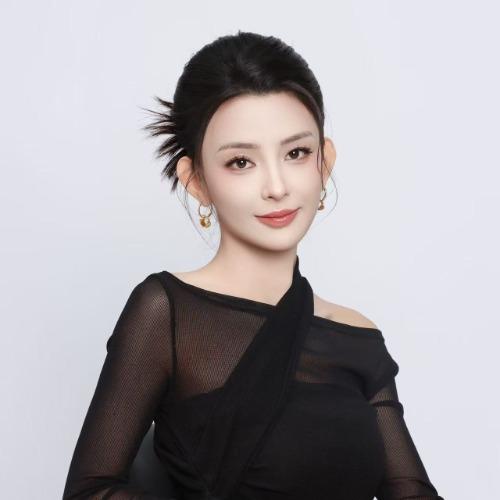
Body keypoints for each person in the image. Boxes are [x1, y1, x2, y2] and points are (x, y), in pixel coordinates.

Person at [62, 31, 444, 500]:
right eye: (241, 162)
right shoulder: (168, 312)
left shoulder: (357, 335)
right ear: (196, 180)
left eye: (296, 153)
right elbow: (92, 491)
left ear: (324, 161)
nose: (277, 187)